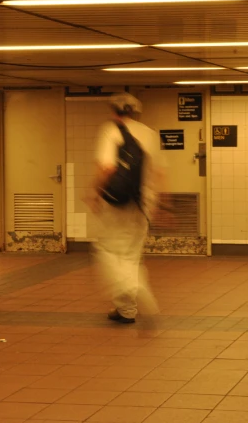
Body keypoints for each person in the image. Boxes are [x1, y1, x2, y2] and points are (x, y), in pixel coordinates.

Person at [85, 93, 163, 325]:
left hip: (116, 204)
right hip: (142, 205)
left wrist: (95, 194)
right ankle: (126, 310)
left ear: (113, 111)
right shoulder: (148, 133)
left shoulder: (111, 131)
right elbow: (159, 173)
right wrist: (159, 204)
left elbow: (107, 168)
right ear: (135, 111)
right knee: (130, 256)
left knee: (108, 252)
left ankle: (137, 289)